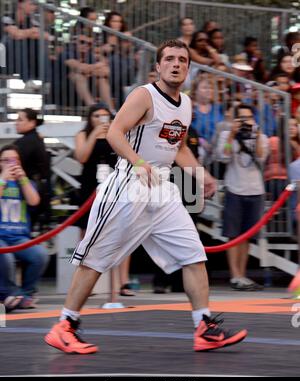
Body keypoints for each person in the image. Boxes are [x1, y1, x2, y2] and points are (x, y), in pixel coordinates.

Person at [44, 39, 247, 354]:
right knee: (95, 258)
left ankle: (203, 326)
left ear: (189, 68)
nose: (176, 64)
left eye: (182, 59)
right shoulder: (144, 95)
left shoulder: (187, 103)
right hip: (128, 185)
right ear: (158, 65)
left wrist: (200, 173)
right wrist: (138, 163)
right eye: (169, 59)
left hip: (162, 188)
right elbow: (114, 132)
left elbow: (178, 147)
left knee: (194, 254)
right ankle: (64, 324)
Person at [74, 103, 134, 296]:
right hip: (90, 186)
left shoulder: (117, 134)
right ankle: (85, 283)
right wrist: (95, 134)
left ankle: (123, 282)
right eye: (97, 116)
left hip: (114, 185)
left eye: (105, 116)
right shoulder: (83, 134)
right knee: (87, 233)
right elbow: (81, 156)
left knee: (123, 232)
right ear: (90, 118)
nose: (101, 119)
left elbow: (125, 155)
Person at [217, 104, 269, 291]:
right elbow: (223, 156)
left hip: (255, 189)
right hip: (234, 188)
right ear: (235, 120)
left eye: (249, 118)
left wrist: (256, 137)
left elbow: (262, 157)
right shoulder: (226, 135)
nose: (246, 122)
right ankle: (234, 275)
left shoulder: (260, 136)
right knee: (233, 234)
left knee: (247, 236)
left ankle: (243, 274)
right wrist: (232, 135)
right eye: (242, 118)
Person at [0, 145, 48, 312]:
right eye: (5, 160)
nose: (10, 164)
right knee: (6, 258)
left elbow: (34, 201)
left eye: (14, 160)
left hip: (20, 237)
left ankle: (25, 294)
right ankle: (9, 293)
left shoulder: (25, 182)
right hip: (1, 237)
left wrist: (23, 179)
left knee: (40, 255)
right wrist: (3, 179)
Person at [14, 108, 51, 230]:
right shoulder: (36, 139)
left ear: (32, 123)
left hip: (29, 191)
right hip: (39, 191)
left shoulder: (26, 142)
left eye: (20, 119)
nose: (16, 122)